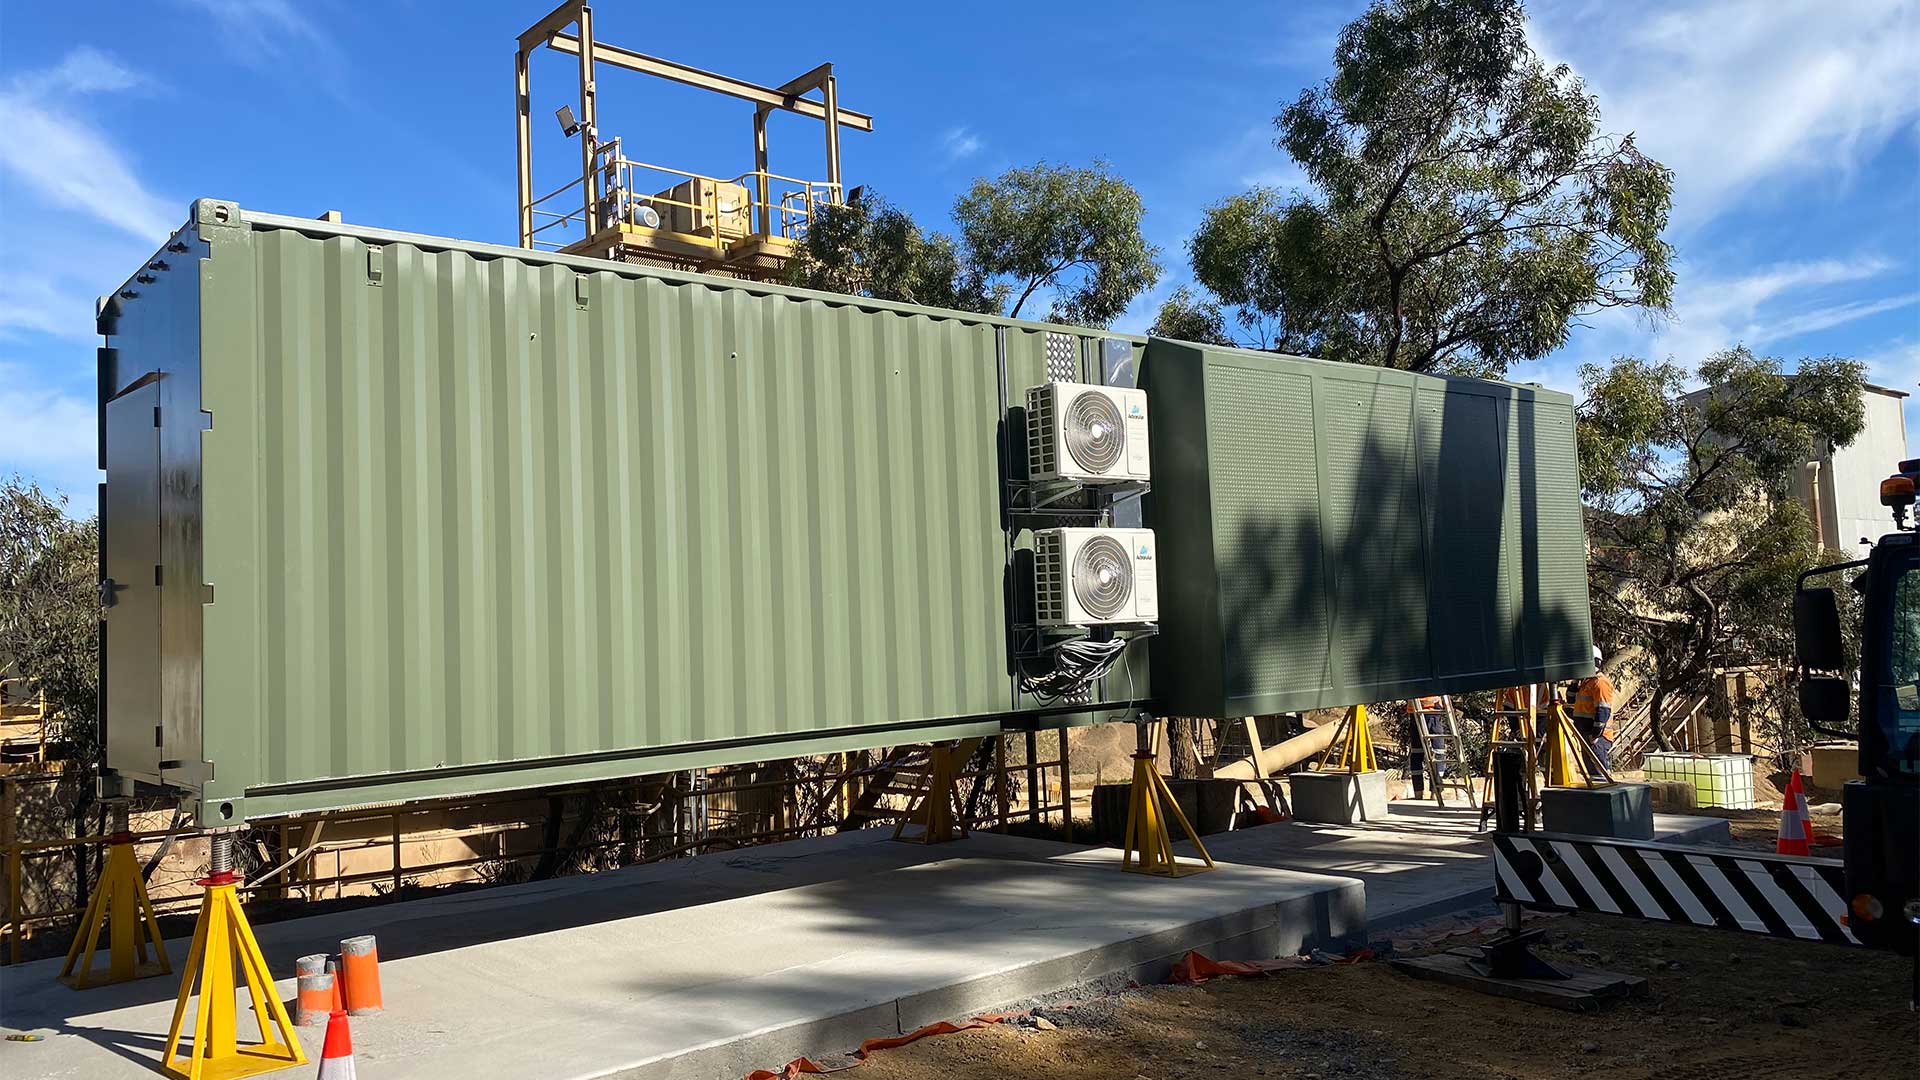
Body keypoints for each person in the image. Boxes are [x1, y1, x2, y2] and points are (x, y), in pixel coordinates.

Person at [1568, 648, 1617, 768]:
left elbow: (1603, 711)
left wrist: (1595, 735)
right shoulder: (1586, 683)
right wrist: (1575, 682)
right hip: (1587, 735)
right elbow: (1571, 700)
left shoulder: (1600, 683)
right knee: (1593, 774)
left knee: (1599, 775)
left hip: (1597, 738)